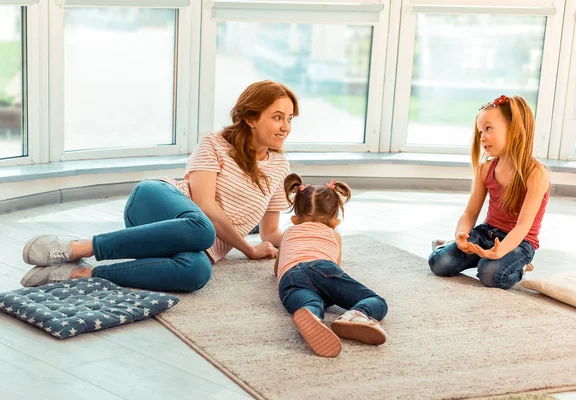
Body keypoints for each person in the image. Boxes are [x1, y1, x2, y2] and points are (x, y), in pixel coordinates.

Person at [20, 80, 299, 292]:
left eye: (289, 119)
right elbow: (205, 207)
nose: (285, 126)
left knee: (197, 272)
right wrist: (248, 249)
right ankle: (78, 248)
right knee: (203, 227)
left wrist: (313, 236)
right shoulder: (214, 144)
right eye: (277, 117)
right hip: (156, 202)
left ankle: (79, 274)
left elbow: (270, 231)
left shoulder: (279, 167)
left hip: (193, 243)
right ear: (251, 118)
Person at [428, 95, 550, 289]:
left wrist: (500, 252)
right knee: (439, 263)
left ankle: (520, 266)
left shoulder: (536, 174)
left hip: (520, 241)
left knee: (490, 274)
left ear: (514, 128)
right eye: (480, 131)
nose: (482, 137)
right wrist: (461, 235)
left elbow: (523, 226)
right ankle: (460, 249)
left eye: (488, 128)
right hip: (487, 232)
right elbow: (470, 213)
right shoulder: (485, 169)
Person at [275, 173, 388, 357]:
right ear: (335, 223)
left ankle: (312, 316)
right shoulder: (333, 234)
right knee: (377, 302)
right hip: (322, 268)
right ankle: (355, 315)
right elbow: (338, 268)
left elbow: (277, 270)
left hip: (290, 278)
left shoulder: (289, 232)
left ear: (295, 219)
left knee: (308, 302)